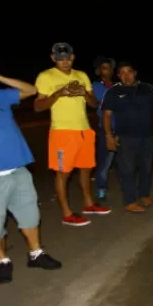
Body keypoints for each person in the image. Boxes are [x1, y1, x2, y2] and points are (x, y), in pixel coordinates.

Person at [0, 55, 62, 284]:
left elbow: (32, 90)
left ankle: (36, 254)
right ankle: (2, 261)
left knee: (30, 215)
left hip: (17, 170)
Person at [34, 42, 111, 226]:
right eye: (60, 59)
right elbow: (38, 106)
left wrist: (84, 93)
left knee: (86, 169)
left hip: (84, 130)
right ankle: (67, 213)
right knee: (63, 173)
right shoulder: (46, 76)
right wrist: (58, 93)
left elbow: (94, 104)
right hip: (62, 132)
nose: (64, 62)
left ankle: (88, 204)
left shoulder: (81, 75)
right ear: (53, 58)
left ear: (73, 57)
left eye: (67, 58)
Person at [101, 61, 153, 213]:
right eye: (122, 73)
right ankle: (129, 201)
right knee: (126, 170)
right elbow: (106, 115)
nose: (126, 76)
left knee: (146, 167)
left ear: (135, 73)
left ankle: (144, 194)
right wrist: (109, 136)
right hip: (125, 137)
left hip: (146, 136)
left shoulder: (147, 89)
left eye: (129, 72)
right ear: (118, 75)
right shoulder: (113, 92)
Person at [92, 56, 117, 200]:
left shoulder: (118, 86)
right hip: (106, 128)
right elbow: (98, 103)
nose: (106, 70)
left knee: (125, 161)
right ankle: (101, 188)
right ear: (98, 71)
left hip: (121, 127)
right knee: (104, 161)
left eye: (109, 67)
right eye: (103, 68)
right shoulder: (96, 86)